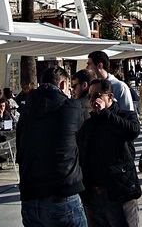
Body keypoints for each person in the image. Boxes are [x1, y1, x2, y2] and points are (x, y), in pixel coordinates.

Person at [17, 67, 87, 227]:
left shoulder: (26, 111)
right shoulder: (71, 108)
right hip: (62, 193)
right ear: (63, 84)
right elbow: (83, 139)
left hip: (30, 196)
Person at [77, 79, 141, 226]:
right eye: (90, 96)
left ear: (110, 97)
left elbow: (132, 131)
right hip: (93, 197)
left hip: (118, 193)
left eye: (97, 95)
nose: (93, 100)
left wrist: (105, 113)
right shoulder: (88, 125)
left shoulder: (125, 116)